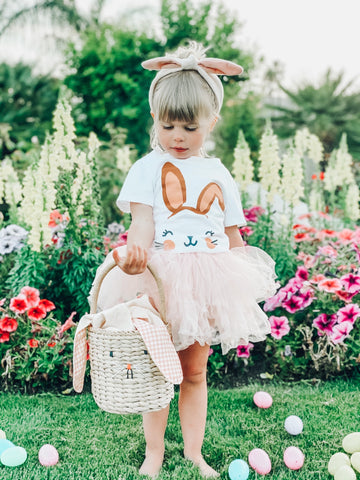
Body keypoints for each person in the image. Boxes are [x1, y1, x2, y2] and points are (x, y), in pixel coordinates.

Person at [105, 41, 277, 478]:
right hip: (162, 279)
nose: (177, 137)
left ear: (211, 122)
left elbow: (231, 233)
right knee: (158, 371)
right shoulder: (147, 167)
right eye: (168, 126)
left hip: (207, 278)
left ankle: (194, 452)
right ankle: (155, 451)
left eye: (189, 127)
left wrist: (242, 281)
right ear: (154, 121)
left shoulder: (218, 172)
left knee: (194, 371)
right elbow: (143, 223)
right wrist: (135, 253)